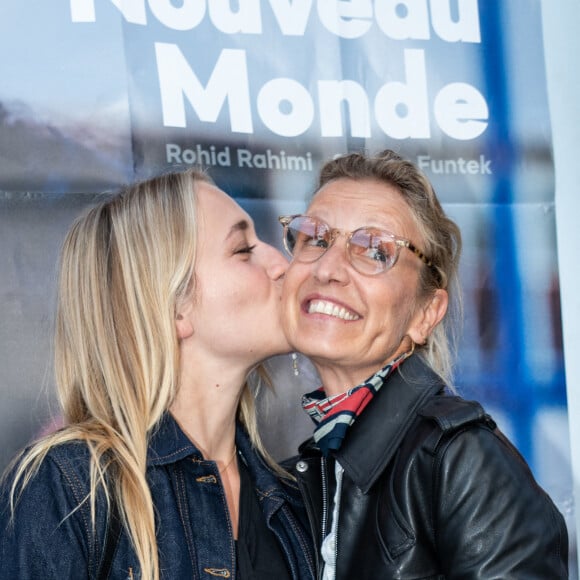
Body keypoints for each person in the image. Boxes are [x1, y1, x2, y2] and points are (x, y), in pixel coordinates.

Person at [0, 169, 315, 580]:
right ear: (173, 306)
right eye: (243, 249)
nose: (280, 263)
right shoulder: (70, 489)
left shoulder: (291, 499)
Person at [279, 150, 568, 578]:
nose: (328, 268)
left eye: (374, 250)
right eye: (316, 238)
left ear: (425, 315)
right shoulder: (304, 473)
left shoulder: (461, 461)